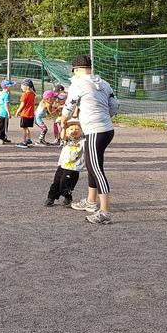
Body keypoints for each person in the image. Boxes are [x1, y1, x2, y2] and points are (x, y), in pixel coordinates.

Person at [61, 55, 120, 225]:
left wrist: (63, 121)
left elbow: (69, 106)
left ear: (76, 69)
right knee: (92, 165)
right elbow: (115, 105)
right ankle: (91, 201)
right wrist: (104, 117)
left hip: (94, 131)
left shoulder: (77, 84)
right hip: (106, 130)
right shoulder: (104, 83)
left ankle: (105, 212)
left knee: (96, 169)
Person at [45, 122, 84, 206]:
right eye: (71, 129)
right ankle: (51, 197)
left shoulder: (83, 141)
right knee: (56, 182)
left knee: (65, 183)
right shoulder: (67, 140)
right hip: (62, 165)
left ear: (81, 131)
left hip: (73, 167)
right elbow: (63, 136)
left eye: (77, 129)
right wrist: (64, 127)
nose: (74, 131)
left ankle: (67, 197)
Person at [14, 79, 36, 147]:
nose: (21, 87)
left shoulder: (25, 94)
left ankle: (24, 142)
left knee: (24, 129)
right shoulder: (32, 94)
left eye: (22, 85)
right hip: (31, 114)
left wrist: (18, 111)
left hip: (25, 114)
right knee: (26, 128)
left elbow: (22, 105)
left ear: (27, 87)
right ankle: (29, 140)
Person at [0, 79, 14, 144]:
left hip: (1, 112)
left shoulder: (2, 93)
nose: (11, 87)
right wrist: (9, 113)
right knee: (1, 126)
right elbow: (6, 105)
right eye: (10, 86)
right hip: (3, 113)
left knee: (4, 126)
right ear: (7, 87)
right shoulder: (5, 94)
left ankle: (3, 137)